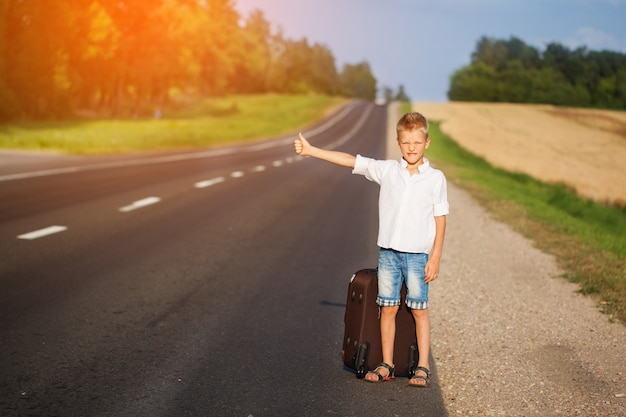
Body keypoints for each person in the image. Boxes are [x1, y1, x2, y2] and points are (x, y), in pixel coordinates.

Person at [294, 111, 448, 387]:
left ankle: (423, 367)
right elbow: (352, 161)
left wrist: (435, 256)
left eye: (416, 142)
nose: (411, 148)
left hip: (417, 256)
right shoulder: (388, 170)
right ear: (398, 143)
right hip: (388, 254)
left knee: (418, 310)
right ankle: (386, 364)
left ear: (427, 142)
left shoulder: (435, 179)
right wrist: (312, 150)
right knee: (387, 308)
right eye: (406, 142)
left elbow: (440, 218)